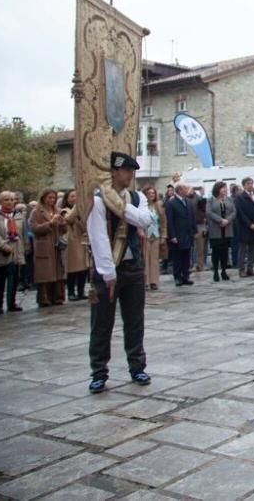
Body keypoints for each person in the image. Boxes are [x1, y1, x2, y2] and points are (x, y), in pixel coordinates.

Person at [86, 151, 153, 393]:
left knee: (135, 321)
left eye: (132, 171)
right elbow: (98, 237)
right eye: (126, 171)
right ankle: (98, 372)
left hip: (133, 267)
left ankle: (137, 367)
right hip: (108, 270)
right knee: (102, 323)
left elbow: (145, 220)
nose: (130, 175)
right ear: (114, 171)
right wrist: (107, 273)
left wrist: (121, 208)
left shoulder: (137, 197)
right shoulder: (97, 199)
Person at [0, 191, 25, 314]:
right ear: (0, 201)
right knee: (0, 280)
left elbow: (22, 233)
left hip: (16, 251)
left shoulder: (18, 215)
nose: (10, 202)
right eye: (6, 200)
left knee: (13, 278)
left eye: (12, 199)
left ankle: (11, 302)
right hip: (2, 252)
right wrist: (4, 246)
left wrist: (24, 247)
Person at [31, 189, 66, 307]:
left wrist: (62, 223)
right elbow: (35, 228)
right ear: (43, 198)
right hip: (44, 244)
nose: (52, 200)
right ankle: (44, 297)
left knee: (57, 270)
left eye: (53, 198)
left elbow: (64, 230)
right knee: (45, 272)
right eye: (49, 198)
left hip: (56, 244)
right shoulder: (36, 212)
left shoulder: (58, 210)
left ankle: (57, 296)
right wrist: (50, 223)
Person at [165, 183, 196, 286]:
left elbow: (192, 217)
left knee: (186, 257)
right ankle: (177, 277)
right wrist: (172, 235)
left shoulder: (188, 202)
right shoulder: (171, 203)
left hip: (188, 234)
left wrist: (194, 231)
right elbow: (169, 220)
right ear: (179, 191)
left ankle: (185, 276)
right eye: (185, 189)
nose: (187, 190)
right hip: (177, 235)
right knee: (177, 257)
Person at [235, 177, 254, 277]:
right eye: (248, 184)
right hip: (245, 227)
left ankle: (250, 269)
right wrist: (249, 224)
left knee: (253, 248)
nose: (251, 185)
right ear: (244, 185)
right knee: (243, 249)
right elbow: (240, 213)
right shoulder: (240, 197)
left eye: (252, 183)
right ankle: (241, 269)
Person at [207, 181, 235, 282]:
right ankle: (215, 271)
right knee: (216, 251)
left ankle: (224, 270)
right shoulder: (211, 200)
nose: (225, 190)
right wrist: (220, 220)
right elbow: (209, 212)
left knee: (225, 251)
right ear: (217, 189)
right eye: (223, 188)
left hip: (227, 229)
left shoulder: (229, 200)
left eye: (225, 188)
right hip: (216, 229)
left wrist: (227, 220)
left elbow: (234, 212)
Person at [141, 186, 166, 291]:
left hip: (155, 234)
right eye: (149, 193)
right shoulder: (142, 206)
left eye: (153, 193)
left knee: (155, 260)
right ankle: (145, 282)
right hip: (145, 235)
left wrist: (164, 235)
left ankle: (154, 281)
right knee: (145, 259)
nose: (151, 195)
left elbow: (163, 221)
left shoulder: (158, 205)